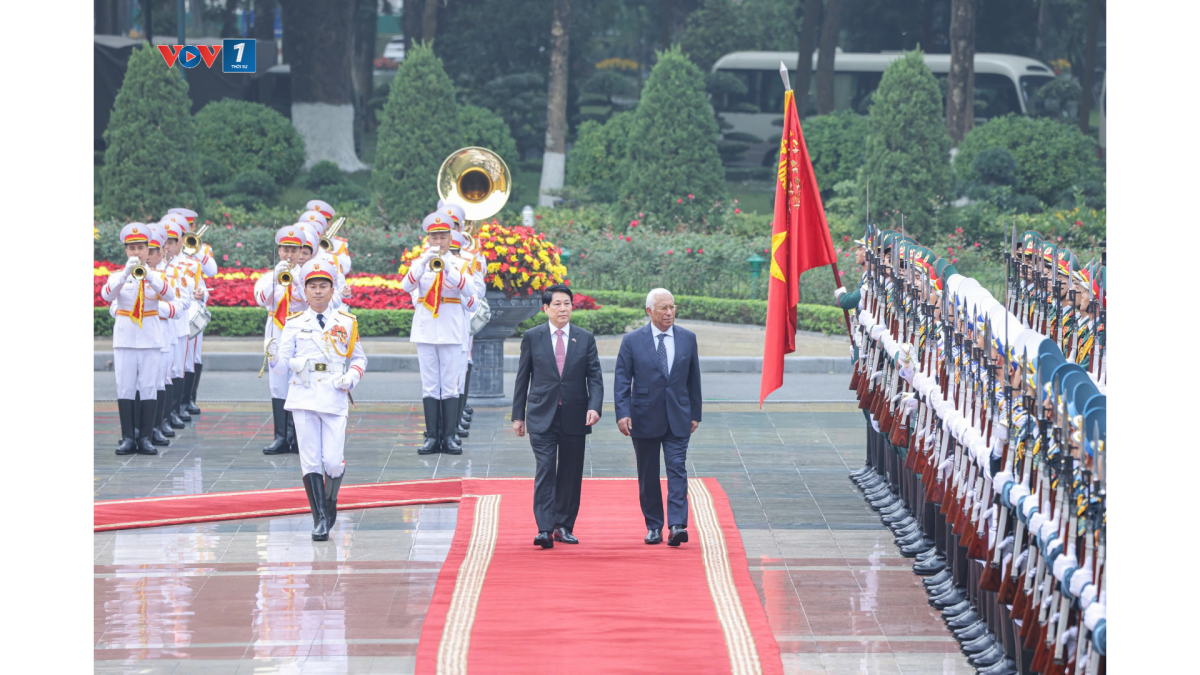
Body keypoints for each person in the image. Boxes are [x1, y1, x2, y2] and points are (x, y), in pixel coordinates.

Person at [267, 259, 366, 541]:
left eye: (323, 286)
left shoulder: (346, 322)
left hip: (335, 393)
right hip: (304, 393)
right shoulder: (295, 323)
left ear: (333, 289)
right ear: (304, 290)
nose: (318, 291)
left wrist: (352, 378)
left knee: (333, 462)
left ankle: (330, 502)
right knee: (310, 460)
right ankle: (320, 518)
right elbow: (282, 365)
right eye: (313, 286)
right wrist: (273, 355)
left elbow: (360, 358)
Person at [512, 284, 603, 548]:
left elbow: (595, 377)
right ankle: (544, 528)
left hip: (575, 415)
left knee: (570, 473)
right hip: (542, 415)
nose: (563, 309)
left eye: (567, 304)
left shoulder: (584, 338)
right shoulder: (533, 336)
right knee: (545, 470)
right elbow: (522, 378)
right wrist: (519, 416)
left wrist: (594, 407)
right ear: (546, 308)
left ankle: (564, 525)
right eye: (558, 304)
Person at [614, 288, 703, 546]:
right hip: (643, 417)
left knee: (677, 469)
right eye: (663, 308)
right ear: (649, 311)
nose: (669, 312)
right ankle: (654, 525)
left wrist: (695, 413)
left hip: (679, 416)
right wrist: (623, 413)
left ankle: (677, 525)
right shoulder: (632, 340)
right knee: (648, 474)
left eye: (672, 307)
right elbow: (622, 380)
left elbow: (693, 379)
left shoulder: (687, 338)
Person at [401, 212, 477, 455]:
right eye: (434, 237)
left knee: (451, 386)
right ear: (428, 238)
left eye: (443, 237)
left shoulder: (460, 264)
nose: (438, 242)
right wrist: (424, 262)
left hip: (452, 329)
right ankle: (432, 437)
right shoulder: (420, 262)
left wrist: (448, 270)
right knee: (430, 385)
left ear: (449, 238)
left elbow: (471, 291)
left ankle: (450, 436)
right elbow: (406, 286)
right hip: (425, 331)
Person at [102, 223, 175, 455]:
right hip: (124, 339)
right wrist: (126, 273)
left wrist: (149, 274)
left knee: (148, 387)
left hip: (150, 338)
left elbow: (169, 294)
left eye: (141, 248)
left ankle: (145, 438)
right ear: (126, 251)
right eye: (132, 248)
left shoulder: (157, 275)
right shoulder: (117, 276)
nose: (136, 252)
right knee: (124, 388)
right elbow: (106, 295)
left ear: (148, 250)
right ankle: (127, 438)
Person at [255, 226, 309, 454]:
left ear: (300, 253)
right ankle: (280, 437)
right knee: (277, 384)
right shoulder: (269, 277)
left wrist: (296, 280)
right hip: (276, 331)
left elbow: (310, 301)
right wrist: (276, 279)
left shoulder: (306, 275)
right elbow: (261, 299)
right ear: (279, 251)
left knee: (298, 382)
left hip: (299, 332)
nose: (289, 255)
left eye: (294, 251)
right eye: (285, 250)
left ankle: (297, 438)